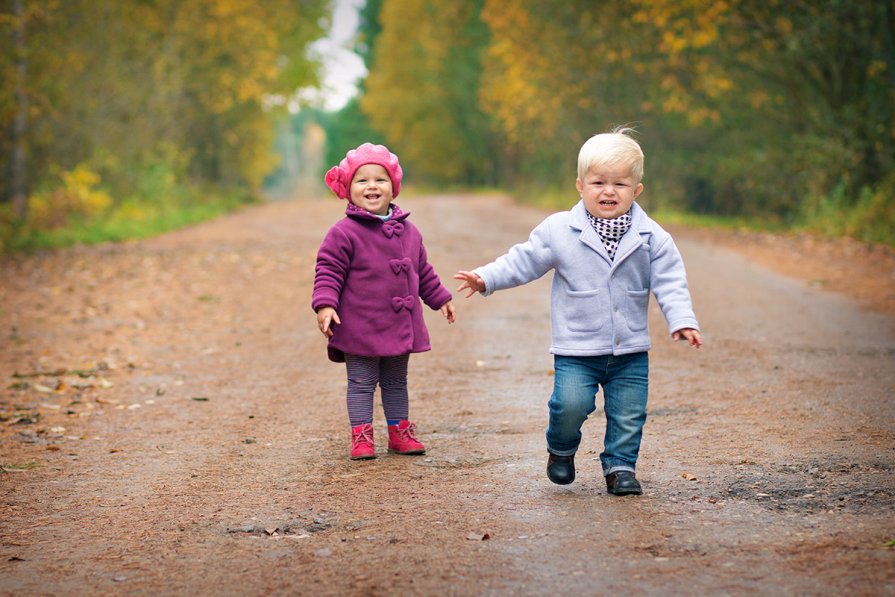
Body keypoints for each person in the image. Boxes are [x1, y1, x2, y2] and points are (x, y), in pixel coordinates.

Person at [454, 128, 701, 495]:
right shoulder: (559, 230)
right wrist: (485, 278)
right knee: (569, 405)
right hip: (577, 349)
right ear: (580, 186)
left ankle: (620, 467)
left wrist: (681, 319)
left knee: (629, 414)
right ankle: (561, 449)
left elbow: (670, 280)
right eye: (598, 182)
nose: (608, 191)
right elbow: (523, 260)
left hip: (630, 349)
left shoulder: (652, 237)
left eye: (620, 183)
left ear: (637, 190)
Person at [313, 143, 456, 460]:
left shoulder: (409, 231)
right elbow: (328, 271)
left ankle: (399, 431)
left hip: (398, 324)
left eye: (380, 179)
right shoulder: (343, 233)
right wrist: (325, 305)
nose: (372, 186)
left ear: (394, 187)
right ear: (349, 190)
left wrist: (440, 298)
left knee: (395, 381)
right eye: (362, 181)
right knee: (362, 382)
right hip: (359, 326)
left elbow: (422, 271)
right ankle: (361, 436)